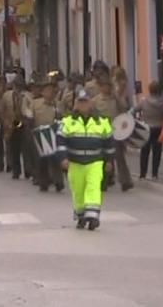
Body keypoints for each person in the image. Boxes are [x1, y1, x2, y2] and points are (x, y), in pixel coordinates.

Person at [57, 88, 114, 231]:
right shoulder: (68, 122)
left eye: (85, 101)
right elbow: (60, 142)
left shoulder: (102, 122)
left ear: (90, 103)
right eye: (80, 102)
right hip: (75, 163)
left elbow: (109, 143)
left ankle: (93, 217)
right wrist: (63, 158)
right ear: (76, 103)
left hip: (95, 162)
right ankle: (81, 215)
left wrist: (109, 161)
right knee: (78, 190)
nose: (83, 105)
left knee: (93, 187)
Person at [135, 81, 163, 180]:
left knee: (144, 151)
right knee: (157, 151)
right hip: (159, 127)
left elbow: (135, 109)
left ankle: (143, 173)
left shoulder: (144, 101)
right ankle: (155, 173)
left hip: (146, 127)